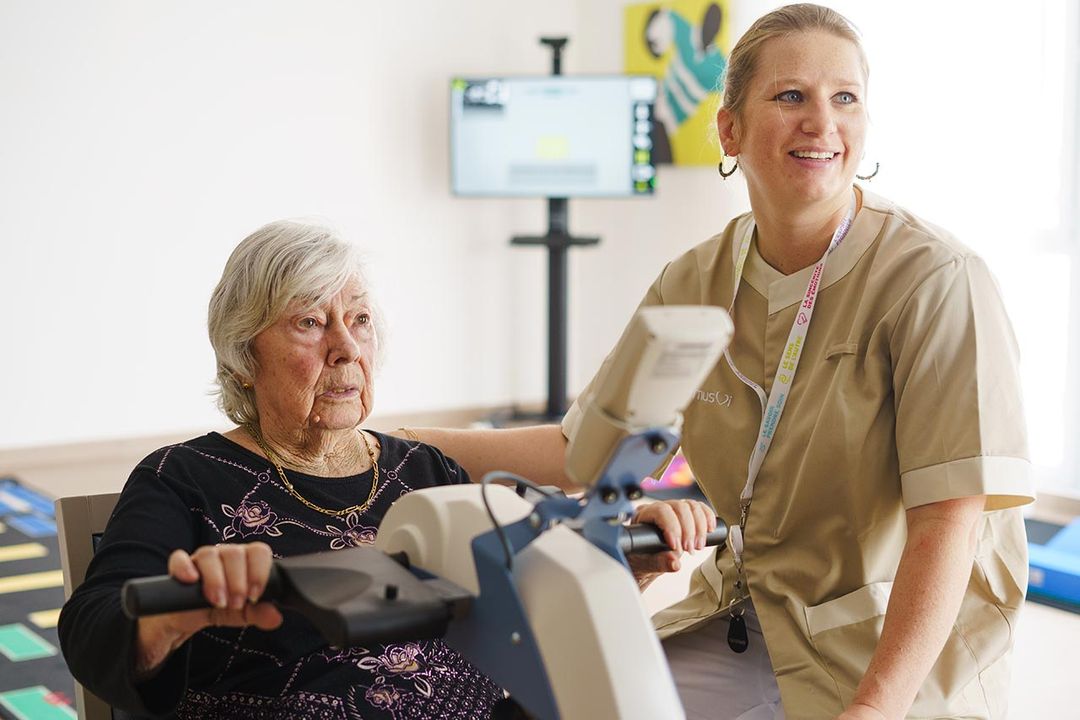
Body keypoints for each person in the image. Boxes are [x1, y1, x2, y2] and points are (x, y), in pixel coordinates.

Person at [393, 5, 1033, 719]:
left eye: (844, 97)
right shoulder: (693, 282)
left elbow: (950, 520)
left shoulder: (935, 279)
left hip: (884, 653)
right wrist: (394, 446)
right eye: (791, 96)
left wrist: (874, 710)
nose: (822, 122)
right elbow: (584, 452)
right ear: (729, 128)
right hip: (742, 618)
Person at [58, 221, 504, 719]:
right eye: (309, 322)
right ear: (244, 356)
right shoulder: (183, 479)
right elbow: (89, 629)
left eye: (359, 319)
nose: (348, 349)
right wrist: (170, 620)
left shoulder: (426, 471)